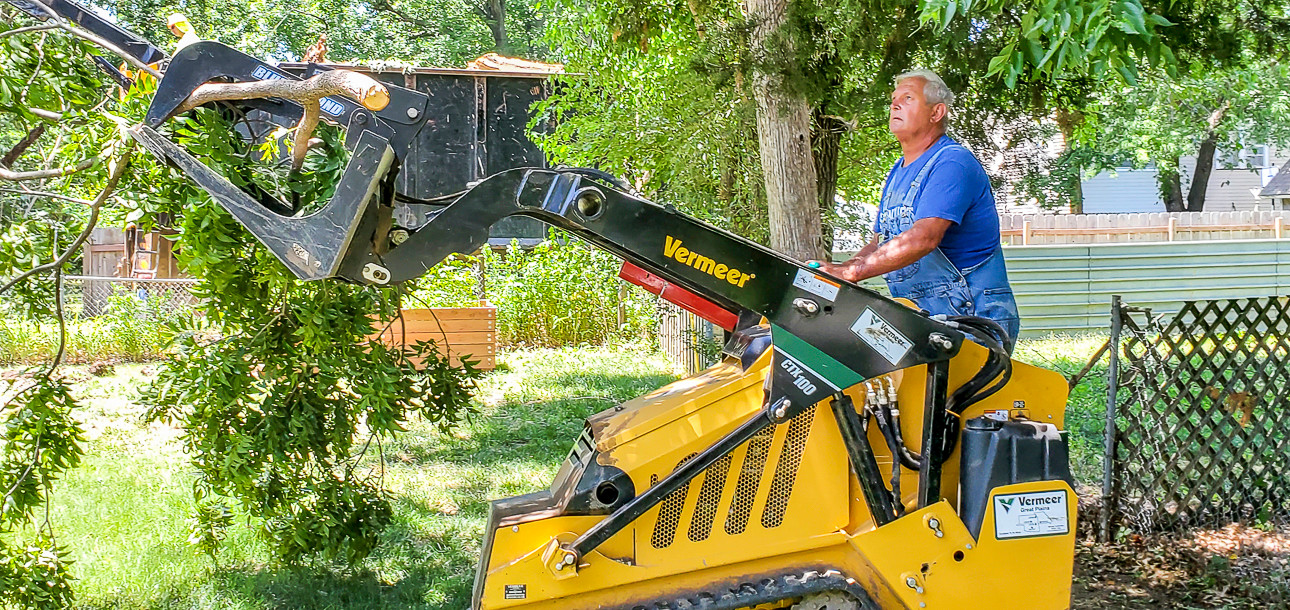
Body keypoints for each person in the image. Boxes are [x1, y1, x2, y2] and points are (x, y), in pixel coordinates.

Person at [809, 69, 1020, 352]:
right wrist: (842, 271)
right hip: (925, 318)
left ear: (937, 113)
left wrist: (852, 273)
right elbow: (879, 241)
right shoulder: (898, 171)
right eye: (893, 99)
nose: (894, 105)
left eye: (907, 98)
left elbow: (923, 238)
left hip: (973, 319)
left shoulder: (952, 164)